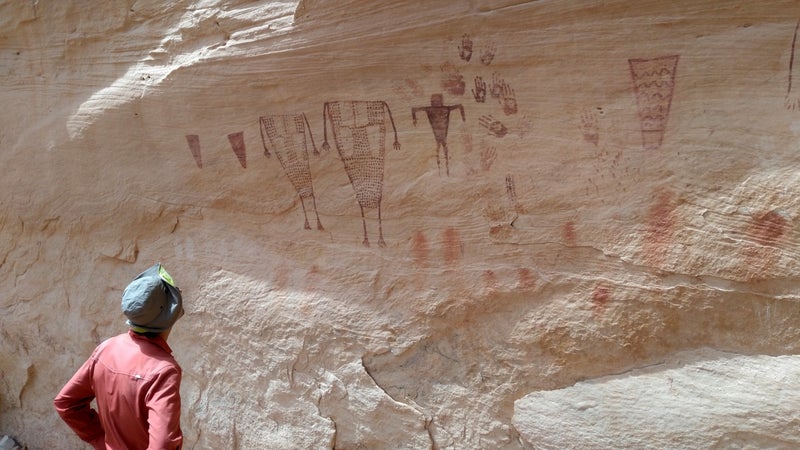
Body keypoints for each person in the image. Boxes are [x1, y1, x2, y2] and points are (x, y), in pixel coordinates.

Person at [54, 263, 185, 450]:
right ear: (170, 316)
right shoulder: (163, 370)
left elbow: (66, 403)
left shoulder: (107, 348)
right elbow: (162, 444)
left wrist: (104, 441)